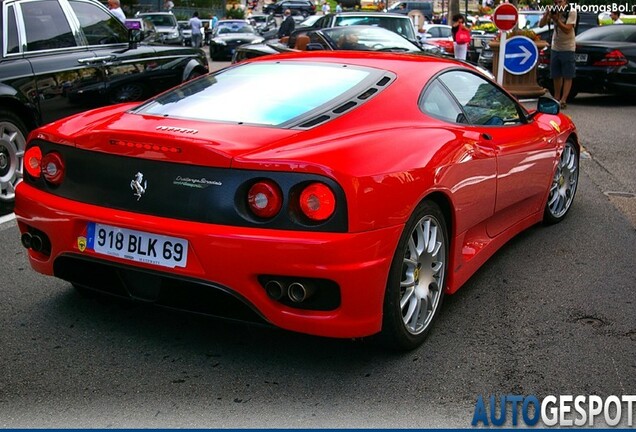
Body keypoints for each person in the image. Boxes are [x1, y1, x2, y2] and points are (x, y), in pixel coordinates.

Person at [539, 0, 577, 108]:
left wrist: (557, 20)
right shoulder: (553, 10)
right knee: (556, 74)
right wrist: (547, 14)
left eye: (559, 2)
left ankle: (563, 99)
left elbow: (567, 29)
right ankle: (556, 98)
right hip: (556, 46)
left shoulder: (571, 11)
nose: (557, 4)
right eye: (555, 2)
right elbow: (541, 25)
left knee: (568, 75)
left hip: (568, 47)